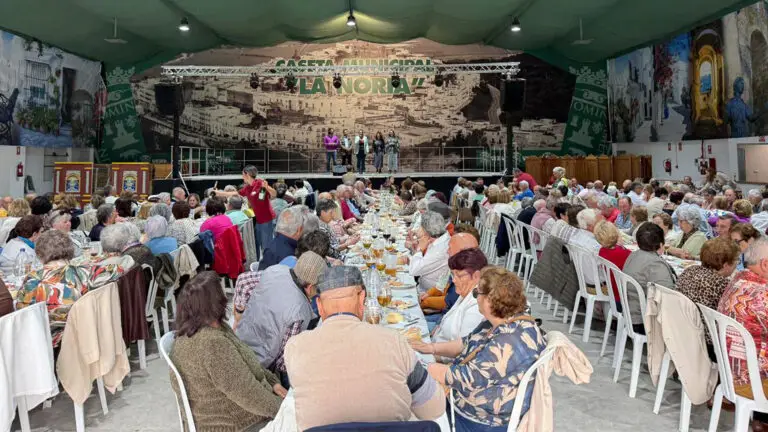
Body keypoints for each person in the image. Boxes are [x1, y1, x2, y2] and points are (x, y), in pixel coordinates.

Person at [284, 266, 445, 430]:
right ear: (362, 299)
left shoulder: (295, 348)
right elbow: (434, 408)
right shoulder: (394, 342)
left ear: (319, 305)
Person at [413, 267, 546, 432]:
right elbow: (466, 343)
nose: (475, 298)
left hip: (480, 420)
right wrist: (431, 348)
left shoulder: (507, 342)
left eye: (477, 294)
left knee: (412, 406)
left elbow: (468, 379)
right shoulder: (509, 321)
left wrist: (429, 368)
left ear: (490, 299)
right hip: (474, 402)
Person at [170, 272, 285, 431]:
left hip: (228, 414)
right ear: (216, 301)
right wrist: (286, 409)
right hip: (234, 424)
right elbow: (249, 395)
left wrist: (272, 382)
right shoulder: (213, 345)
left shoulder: (196, 331)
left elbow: (246, 363)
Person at [236, 252, 326, 387]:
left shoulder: (275, 270)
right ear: (311, 287)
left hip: (240, 340)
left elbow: (244, 279)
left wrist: (238, 312)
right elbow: (283, 363)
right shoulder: (300, 311)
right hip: (259, 365)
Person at [718, 238, 768, 430]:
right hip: (752, 381)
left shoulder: (738, 280)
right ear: (765, 264)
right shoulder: (762, 293)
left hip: (729, 374)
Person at [15, 229, 89, 328]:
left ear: (39, 253)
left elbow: (22, 312)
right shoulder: (84, 273)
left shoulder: (34, 279)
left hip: (49, 336)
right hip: (82, 330)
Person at [622, 223, 677, 331]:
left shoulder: (633, 255)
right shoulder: (655, 264)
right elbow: (668, 296)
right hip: (643, 319)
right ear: (661, 244)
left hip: (630, 311)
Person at [431, 248, 487, 351]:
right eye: (453, 275)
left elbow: (463, 350)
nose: (454, 280)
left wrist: (430, 351)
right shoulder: (465, 292)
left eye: (459, 276)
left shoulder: (476, 306)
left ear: (476, 276)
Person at [216, 166, 277, 261]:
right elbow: (235, 193)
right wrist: (219, 193)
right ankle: (256, 264)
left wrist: (267, 188)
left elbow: (274, 194)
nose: (242, 177)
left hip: (266, 219)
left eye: (242, 174)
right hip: (258, 220)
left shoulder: (260, 183)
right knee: (255, 243)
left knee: (266, 246)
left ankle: (268, 266)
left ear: (247, 174)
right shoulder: (248, 188)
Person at [420, 233, 479, 327]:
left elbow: (448, 301)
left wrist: (424, 301)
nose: (447, 251)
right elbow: (442, 284)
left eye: (450, 248)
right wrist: (428, 294)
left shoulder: (467, 276)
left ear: (462, 252)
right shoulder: (454, 267)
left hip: (445, 320)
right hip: (445, 317)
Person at [677, 237, 739, 316]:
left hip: (678, 320)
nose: (737, 264)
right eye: (736, 260)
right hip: (701, 326)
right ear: (726, 265)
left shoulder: (690, 270)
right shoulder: (722, 284)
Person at [408, 211, 451, 291]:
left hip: (427, 293)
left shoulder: (440, 249)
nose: (417, 229)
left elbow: (413, 270)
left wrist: (419, 249)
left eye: (420, 226)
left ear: (425, 230)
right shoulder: (437, 239)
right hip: (422, 286)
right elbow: (422, 262)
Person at [595, 220, 631, 304]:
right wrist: (622, 247)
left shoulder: (602, 251)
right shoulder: (624, 253)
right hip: (625, 298)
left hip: (613, 294)